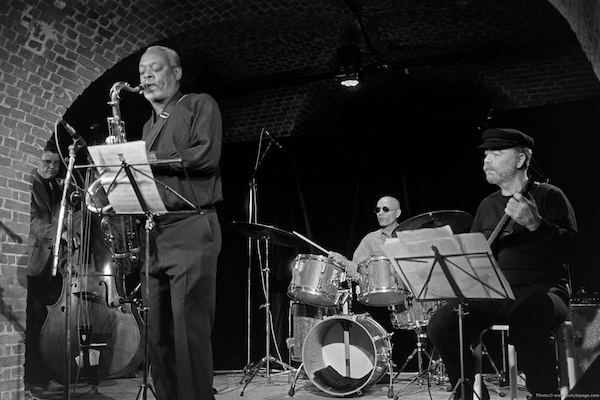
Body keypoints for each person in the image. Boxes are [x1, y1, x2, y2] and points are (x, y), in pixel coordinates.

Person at [427, 128, 580, 398]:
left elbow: (573, 251)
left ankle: (543, 394)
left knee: (529, 315)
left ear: (521, 160)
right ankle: (470, 393)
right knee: (442, 321)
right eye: (486, 154)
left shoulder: (549, 196)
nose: (487, 160)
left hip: (544, 291)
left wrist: (536, 225)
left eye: (496, 154)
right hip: (497, 294)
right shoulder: (487, 205)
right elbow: (476, 258)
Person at [138, 45, 222, 400]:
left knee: (188, 329)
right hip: (155, 231)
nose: (146, 77)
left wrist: (146, 158)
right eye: (142, 72)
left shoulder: (199, 103)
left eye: (154, 69)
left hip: (191, 224)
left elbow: (203, 156)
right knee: (157, 332)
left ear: (176, 72)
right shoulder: (147, 125)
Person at [25, 140, 66, 393]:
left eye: (56, 164)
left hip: (54, 264)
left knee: (47, 323)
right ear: (36, 161)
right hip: (33, 264)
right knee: (33, 322)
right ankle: (34, 378)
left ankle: (47, 373)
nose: (52, 168)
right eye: (47, 162)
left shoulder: (57, 186)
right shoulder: (28, 183)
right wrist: (59, 231)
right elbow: (30, 221)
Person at [329, 195, 402, 278]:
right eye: (377, 210)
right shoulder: (370, 239)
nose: (380, 213)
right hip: (378, 288)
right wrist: (343, 261)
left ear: (397, 213)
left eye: (385, 209)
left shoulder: (409, 236)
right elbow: (357, 269)